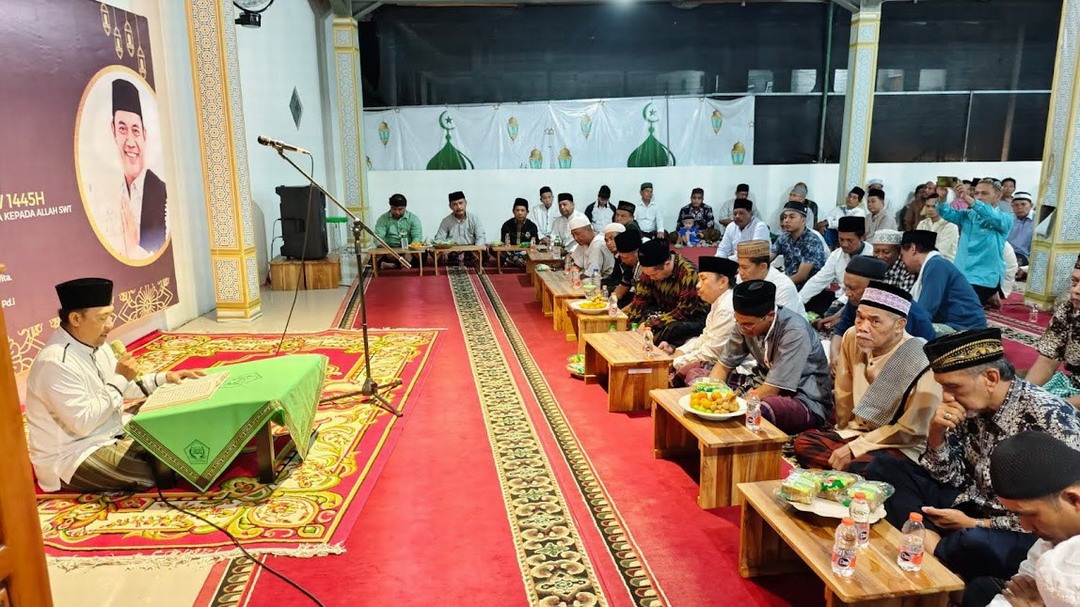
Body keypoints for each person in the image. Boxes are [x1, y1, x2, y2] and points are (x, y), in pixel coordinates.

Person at [865, 328, 1080, 581]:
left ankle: (932, 544)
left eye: (953, 387)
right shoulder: (970, 407)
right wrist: (936, 434)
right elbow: (950, 477)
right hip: (971, 501)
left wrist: (974, 524)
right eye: (942, 387)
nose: (947, 397)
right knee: (885, 467)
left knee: (975, 543)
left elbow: (1057, 511)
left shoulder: (1051, 419)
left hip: (1020, 526)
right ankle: (933, 543)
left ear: (990, 378)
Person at [25, 278, 204, 492]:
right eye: (103, 318)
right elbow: (82, 423)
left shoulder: (98, 345)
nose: (110, 324)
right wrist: (120, 378)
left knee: (173, 407)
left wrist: (166, 379)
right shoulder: (55, 363)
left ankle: (148, 448)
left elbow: (126, 388)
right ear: (75, 318)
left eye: (111, 315)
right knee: (156, 471)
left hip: (113, 428)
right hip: (75, 454)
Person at [794, 282, 940, 474]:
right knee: (805, 443)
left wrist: (856, 448)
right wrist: (842, 437)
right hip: (859, 432)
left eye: (875, 321)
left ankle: (850, 473)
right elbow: (844, 395)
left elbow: (912, 431)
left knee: (876, 468)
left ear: (899, 325)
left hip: (899, 444)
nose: (863, 327)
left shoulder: (921, 359)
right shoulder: (852, 337)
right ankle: (850, 474)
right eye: (859, 318)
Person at [960, 432, 1080, 607]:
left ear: (1074, 499)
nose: (1024, 525)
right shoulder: (1053, 537)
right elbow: (1019, 590)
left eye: (1030, 514)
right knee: (981, 588)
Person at [711, 280, 833, 434]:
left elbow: (771, 390)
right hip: (761, 384)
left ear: (770, 315)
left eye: (748, 324)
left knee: (760, 410)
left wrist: (730, 405)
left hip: (803, 398)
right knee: (699, 373)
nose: (742, 328)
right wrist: (711, 394)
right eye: (738, 322)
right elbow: (723, 366)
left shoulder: (794, 331)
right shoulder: (744, 323)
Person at [101, 78, 167, 259]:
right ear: (113, 131)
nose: (130, 142)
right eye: (122, 129)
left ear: (144, 135)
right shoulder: (111, 194)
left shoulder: (163, 194)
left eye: (136, 131)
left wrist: (133, 248)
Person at [827, 257, 936, 364]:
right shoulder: (857, 300)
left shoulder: (901, 312)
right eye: (846, 287)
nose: (847, 294)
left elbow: (894, 357)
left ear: (874, 287)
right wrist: (835, 356)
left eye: (853, 288)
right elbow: (840, 331)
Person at [661, 256, 738, 386]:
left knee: (691, 373)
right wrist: (679, 352)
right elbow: (704, 338)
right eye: (698, 280)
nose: (697, 285)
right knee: (690, 343)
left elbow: (711, 353)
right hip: (717, 359)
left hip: (736, 369)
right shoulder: (719, 302)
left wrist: (674, 362)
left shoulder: (727, 308)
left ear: (723, 282)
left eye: (703, 279)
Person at [937, 178, 1014, 306]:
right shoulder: (969, 215)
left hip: (984, 277)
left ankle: (990, 293)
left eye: (984, 193)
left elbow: (989, 214)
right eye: (976, 193)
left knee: (958, 307)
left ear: (998, 195)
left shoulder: (1005, 218)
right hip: (961, 272)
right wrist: (942, 198)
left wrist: (968, 198)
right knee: (938, 299)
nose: (979, 197)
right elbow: (946, 213)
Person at [623, 238, 709, 347]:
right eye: (648, 275)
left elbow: (683, 312)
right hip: (664, 312)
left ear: (667, 264)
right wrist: (627, 323)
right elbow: (640, 299)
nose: (651, 278)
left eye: (654, 275)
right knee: (640, 320)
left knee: (671, 330)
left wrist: (650, 324)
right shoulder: (649, 271)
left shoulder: (688, 273)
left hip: (689, 318)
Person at [901, 230, 986, 335]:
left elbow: (924, 312)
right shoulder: (933, 264)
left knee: (899, 331)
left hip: (965, 329)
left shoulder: (936, 266)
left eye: (902, 255)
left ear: (912, 249)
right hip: (955, 324)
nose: (902, 261)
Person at [1026, 254, 1080, 406]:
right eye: (1074, 282)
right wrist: (1024, 395)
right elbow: (1047, 363)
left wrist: (1056, 407)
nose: (1076, 290)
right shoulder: (1069, 310)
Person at [799, 216, 874, 316]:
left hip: (862, 302)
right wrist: (798, 301)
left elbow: (864, 290)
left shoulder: (872, 255)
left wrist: (838, 306)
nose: (844, 244)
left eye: (850, 240)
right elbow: (819, 280)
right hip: (840, 297)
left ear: (862, 237)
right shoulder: (837, 254)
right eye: (841, 239)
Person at [736, 240, 806, 316]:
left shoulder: (783, 287)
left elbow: (783, 320)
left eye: (744, 267)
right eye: (739, 266)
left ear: (763, 267)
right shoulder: (742, 278)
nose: (740, 272)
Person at [772, 201, 827, 288]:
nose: (786, 220)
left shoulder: (812, 241)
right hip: (789, 284)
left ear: (803, 220)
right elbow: (768, 258)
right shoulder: (784, 238)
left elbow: (801, 276)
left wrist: (778, 285)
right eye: (785, 217)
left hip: (810, 288)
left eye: (791, 217)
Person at [915, 192, 959, 261]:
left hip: (945, 263)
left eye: (934, 206)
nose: (930, 209)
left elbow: (940, 251)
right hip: (924, 261)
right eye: (928, 206)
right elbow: (917, 245)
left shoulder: (951, 226)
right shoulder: (922, 223)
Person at [612, 230, 644, 308]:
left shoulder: (646, 266)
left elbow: (640, 301)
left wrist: (620, 313)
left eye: (626, 258)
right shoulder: (630, 264)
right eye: (621, 257)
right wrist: (610, 302)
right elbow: (622, 289)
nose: (623, 261)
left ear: (638, 252)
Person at [1007, 191, 1035, 268]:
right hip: (1008, 253)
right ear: (1012, 207)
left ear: (1031, 206)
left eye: (1023, 204)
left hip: (1025, 256)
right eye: (1016, 205)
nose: (1019, 207)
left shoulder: (1039, 219)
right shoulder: (1008, 219)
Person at [601, 223, 627, 295]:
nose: (609, 243)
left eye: (612, 239)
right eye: (606, 240)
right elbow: (615, 277)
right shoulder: (617, 255)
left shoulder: (629, 256)